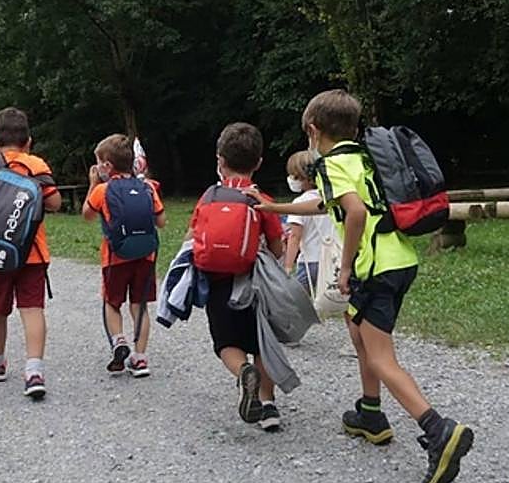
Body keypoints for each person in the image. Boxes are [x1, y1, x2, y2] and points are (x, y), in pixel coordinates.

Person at [257, 89, 474, 483]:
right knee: (358, 331)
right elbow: (328, 206)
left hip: (373, 268)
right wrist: (273, 210)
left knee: (380, 354)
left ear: (312, 130)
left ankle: (439, 430)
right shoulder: (363, 156)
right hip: (400, 260)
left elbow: (354, 212)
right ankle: (370, 414)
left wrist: (345, 267)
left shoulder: (331, 163)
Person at [190, 122, 285, 431]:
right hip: (255, 283)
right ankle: (268, 406)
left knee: (226, 343)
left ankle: (243, 372)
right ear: (258, 163)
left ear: (220, 159)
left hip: (219, 283)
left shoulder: (208, 197)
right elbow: (275, 244)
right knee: (260, 342)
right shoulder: (261, 199)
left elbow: (194, 235)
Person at [0, 107, 61, 398]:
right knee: (32, 309)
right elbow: (54, 202)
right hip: (32, 253)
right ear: (28, 141)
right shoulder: (36, 164)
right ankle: (34, 371)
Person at [82, 134, 167, 377]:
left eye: (98, 162)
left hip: (115, 257)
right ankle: (140, 359)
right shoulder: (148, 187)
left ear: (107, 166)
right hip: (146, 257)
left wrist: (92, 183)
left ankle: (119, 341)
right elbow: (161, 221)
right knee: (139, 305)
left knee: (111, 302)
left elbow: (87, 215)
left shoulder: (102, 189)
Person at [283, 150, 336, 293]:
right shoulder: (331, 199)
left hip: (309, 260)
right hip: (332, 260)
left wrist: (288, 266)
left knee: (299, 300)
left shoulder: (299, 203)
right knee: (333, 298)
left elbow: (295, 237)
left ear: (302, 178)